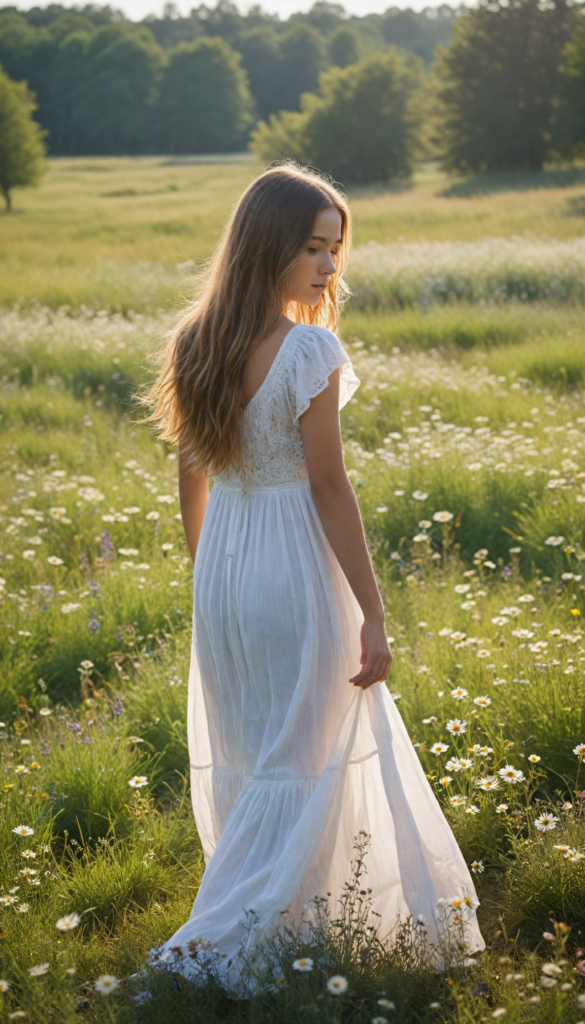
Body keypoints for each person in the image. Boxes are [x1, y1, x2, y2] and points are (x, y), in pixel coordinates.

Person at [138, 162, 485, 994]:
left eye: (334, 250)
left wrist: (211, 574)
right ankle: (239, 937)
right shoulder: (307, 347)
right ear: (266, 248)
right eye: (312, 248)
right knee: (310, 750)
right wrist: (373, 612)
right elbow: (328, 485)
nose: (330, 267)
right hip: (291, 561)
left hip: (225, 565)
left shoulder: (197, 339)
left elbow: (191, 475)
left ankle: (285, 918)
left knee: (263, 752)